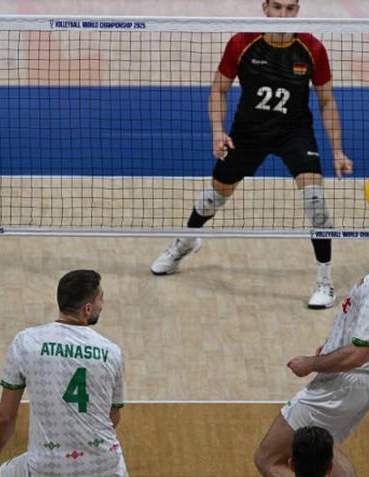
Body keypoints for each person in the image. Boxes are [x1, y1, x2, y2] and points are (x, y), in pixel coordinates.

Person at [150, 0, 353, 309]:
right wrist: (218, 132)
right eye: (277, 7)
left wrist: (337, 149)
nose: (283, 15)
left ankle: (324, 281)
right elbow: (218, 90)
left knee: (315, 200)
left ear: (297, 10)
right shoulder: (242, 43)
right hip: (248, 133)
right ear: (265, 8)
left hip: (294, 133)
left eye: (290, 8)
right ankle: (185, 242)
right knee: (213, 197)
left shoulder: (312, 47)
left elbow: (327, 101)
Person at [253, 202, 369, 477]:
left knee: (267, 459)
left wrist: (311, 363)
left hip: (341, 385)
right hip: (365, 385)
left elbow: (357, 354)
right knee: (325, 451)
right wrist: (343, 349)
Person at [0, 270, 127, 477]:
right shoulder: (112, 352)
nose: (102, 304)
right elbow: (113, 417)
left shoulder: (27, 342)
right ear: (87, 309)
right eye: (101, 298)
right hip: (107, 464)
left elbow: (5, 417)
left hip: (48, 465)